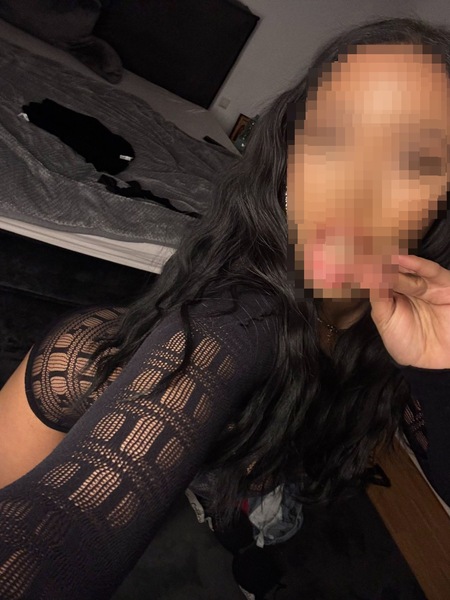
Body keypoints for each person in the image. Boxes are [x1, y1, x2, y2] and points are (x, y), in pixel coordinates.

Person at [1, 15, 450, 599]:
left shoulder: (415, 336)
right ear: (289, 152)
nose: (352, 189)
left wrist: (439, 373)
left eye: (412, 159)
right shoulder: (213, 327)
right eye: (334, 135)